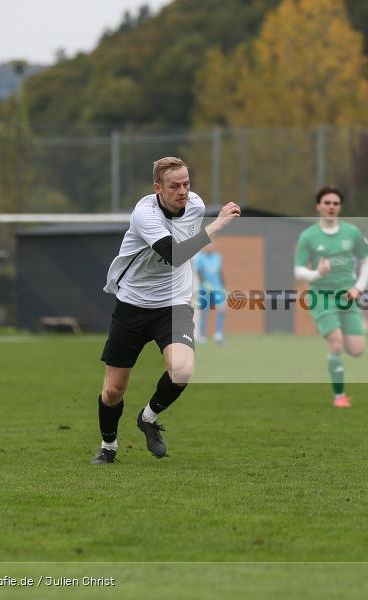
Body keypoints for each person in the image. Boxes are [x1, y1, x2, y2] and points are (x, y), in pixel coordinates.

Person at [91, 156, 241, 464]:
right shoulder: (145, 214)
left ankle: (147, 418)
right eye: (174, 186)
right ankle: (108, 447)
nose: (183, 191)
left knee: (183, 370)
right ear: (158, 188)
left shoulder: (196, 205)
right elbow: (174, 254)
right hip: (132, 306)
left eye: (186, 184)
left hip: (172, 305)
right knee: (113, 391)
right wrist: (218, 225)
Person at [294, 186, 368, 408]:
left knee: (357, 350)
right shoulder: (309, 236)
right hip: (321, 296)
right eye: (327, 203)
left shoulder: (352, 232)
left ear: (340, 207)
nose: (331, 207)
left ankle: (336, 350)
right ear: (318, 206)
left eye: (335, 203)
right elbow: (298, 270)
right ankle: (339, 396)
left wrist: (359, 287)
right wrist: (316, 274)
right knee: (336, 343)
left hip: (348, 296)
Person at [194, 242, 226, 345]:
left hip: (217, 288)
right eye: (208, 246)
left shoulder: (217, 257)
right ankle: (202, 336)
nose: (210, 248)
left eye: (212, 246)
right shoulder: (200, 258)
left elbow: (220, 272)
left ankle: (218, 335)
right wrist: (205, 283)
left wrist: (223, 287)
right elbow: (199, 272)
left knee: (222, 309)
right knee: (204, 312)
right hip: (205, 289)